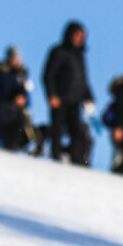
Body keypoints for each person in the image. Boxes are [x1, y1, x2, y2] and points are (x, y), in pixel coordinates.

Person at [43, 21, 93, 166]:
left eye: (83, 36)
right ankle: (56, 158)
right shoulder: (59, 52)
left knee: (77, 132)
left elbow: (83, 80)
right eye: (78, 34)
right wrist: (52, 94)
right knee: (57, 130)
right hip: (60, 100)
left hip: (75, 101)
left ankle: (76, 161)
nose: (80, 38)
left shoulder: (80, 56)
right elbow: (48, 75)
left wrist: (89, 97)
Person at [0, 46, 32, 150]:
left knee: (22, 122)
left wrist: (22, 98)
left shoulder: (21, 75)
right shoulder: (1, 74)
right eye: (14, 58)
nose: (16, 61)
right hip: (2, 111)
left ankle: (17, 145)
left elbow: (25, 94)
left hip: (16, 113)